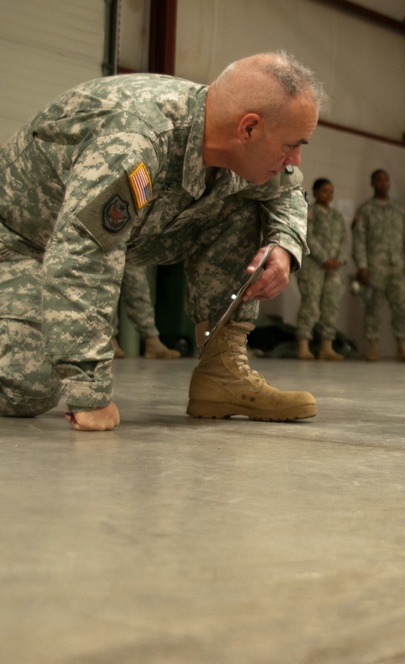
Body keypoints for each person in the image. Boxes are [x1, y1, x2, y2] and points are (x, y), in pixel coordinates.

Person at [0, 50, 326, 431]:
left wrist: (285, 246)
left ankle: (222, 374)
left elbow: (286, 192)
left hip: (105, 241)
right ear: (248, 129)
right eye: (292, 144)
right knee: (27, 388)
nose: (297, 159)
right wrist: (89, 393)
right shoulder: (135, 139)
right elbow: (82, 255)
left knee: (247, 206)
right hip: (20, 242)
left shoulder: (229, 138)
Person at [351, 169, 405, 363]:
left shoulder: (399, 210)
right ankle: (373, 347)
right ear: (372, 183)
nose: (383, 183)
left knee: (403, 305)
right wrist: (362, 265)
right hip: (375, 266)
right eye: (379, 180)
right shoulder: (365, 210)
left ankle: (403, 348)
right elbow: (359, 240)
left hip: (398, 267)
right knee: (373, 307)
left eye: (386, 180)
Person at [295, 178, 348, 361]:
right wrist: (324, 258)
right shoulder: (309, 212)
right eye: (325, 191)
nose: (329, 195)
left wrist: (339, 260)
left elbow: (343, 240)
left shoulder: (337, 216)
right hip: (313, 266)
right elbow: (307, 236)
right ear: (316, 192)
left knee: (331, 305)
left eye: (331, 191)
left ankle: (327, 346)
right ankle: (303, 345)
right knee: (310, 304)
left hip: (333, 269)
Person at [111, 265, 182, 360]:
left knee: (137, 282)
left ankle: (151, 339)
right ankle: (109, 340)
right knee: (108, 285)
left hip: (129, 251)